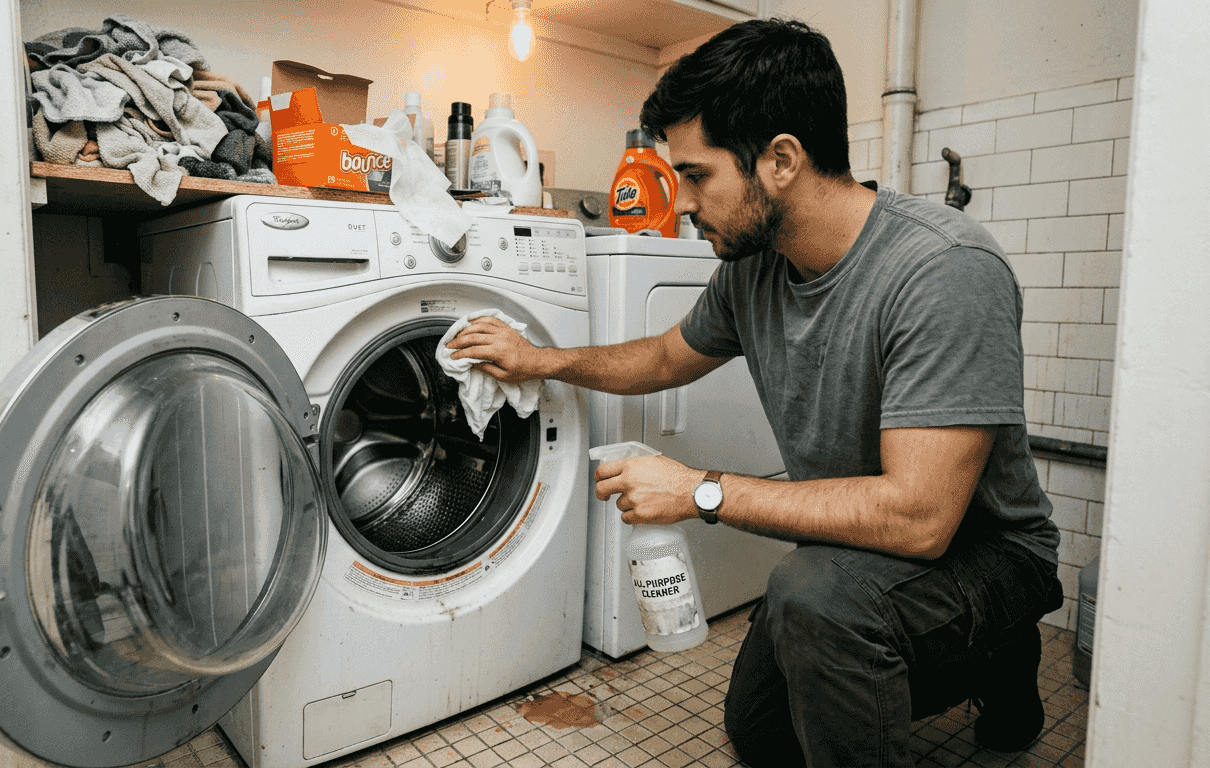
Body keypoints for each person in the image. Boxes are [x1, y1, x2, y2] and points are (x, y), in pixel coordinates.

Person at [446, 16, 1064, 768]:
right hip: (860, 553)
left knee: (817, 600)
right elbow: (664, 357)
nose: (680, 202)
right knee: (763, 729)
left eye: (698, 175)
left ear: (780, 160)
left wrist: (697, 491)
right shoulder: (753, 269)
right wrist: (541, 358)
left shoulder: (944, 270)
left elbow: (920, 520)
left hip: (984, 552)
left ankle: (1000, 653)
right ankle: (935, 657)